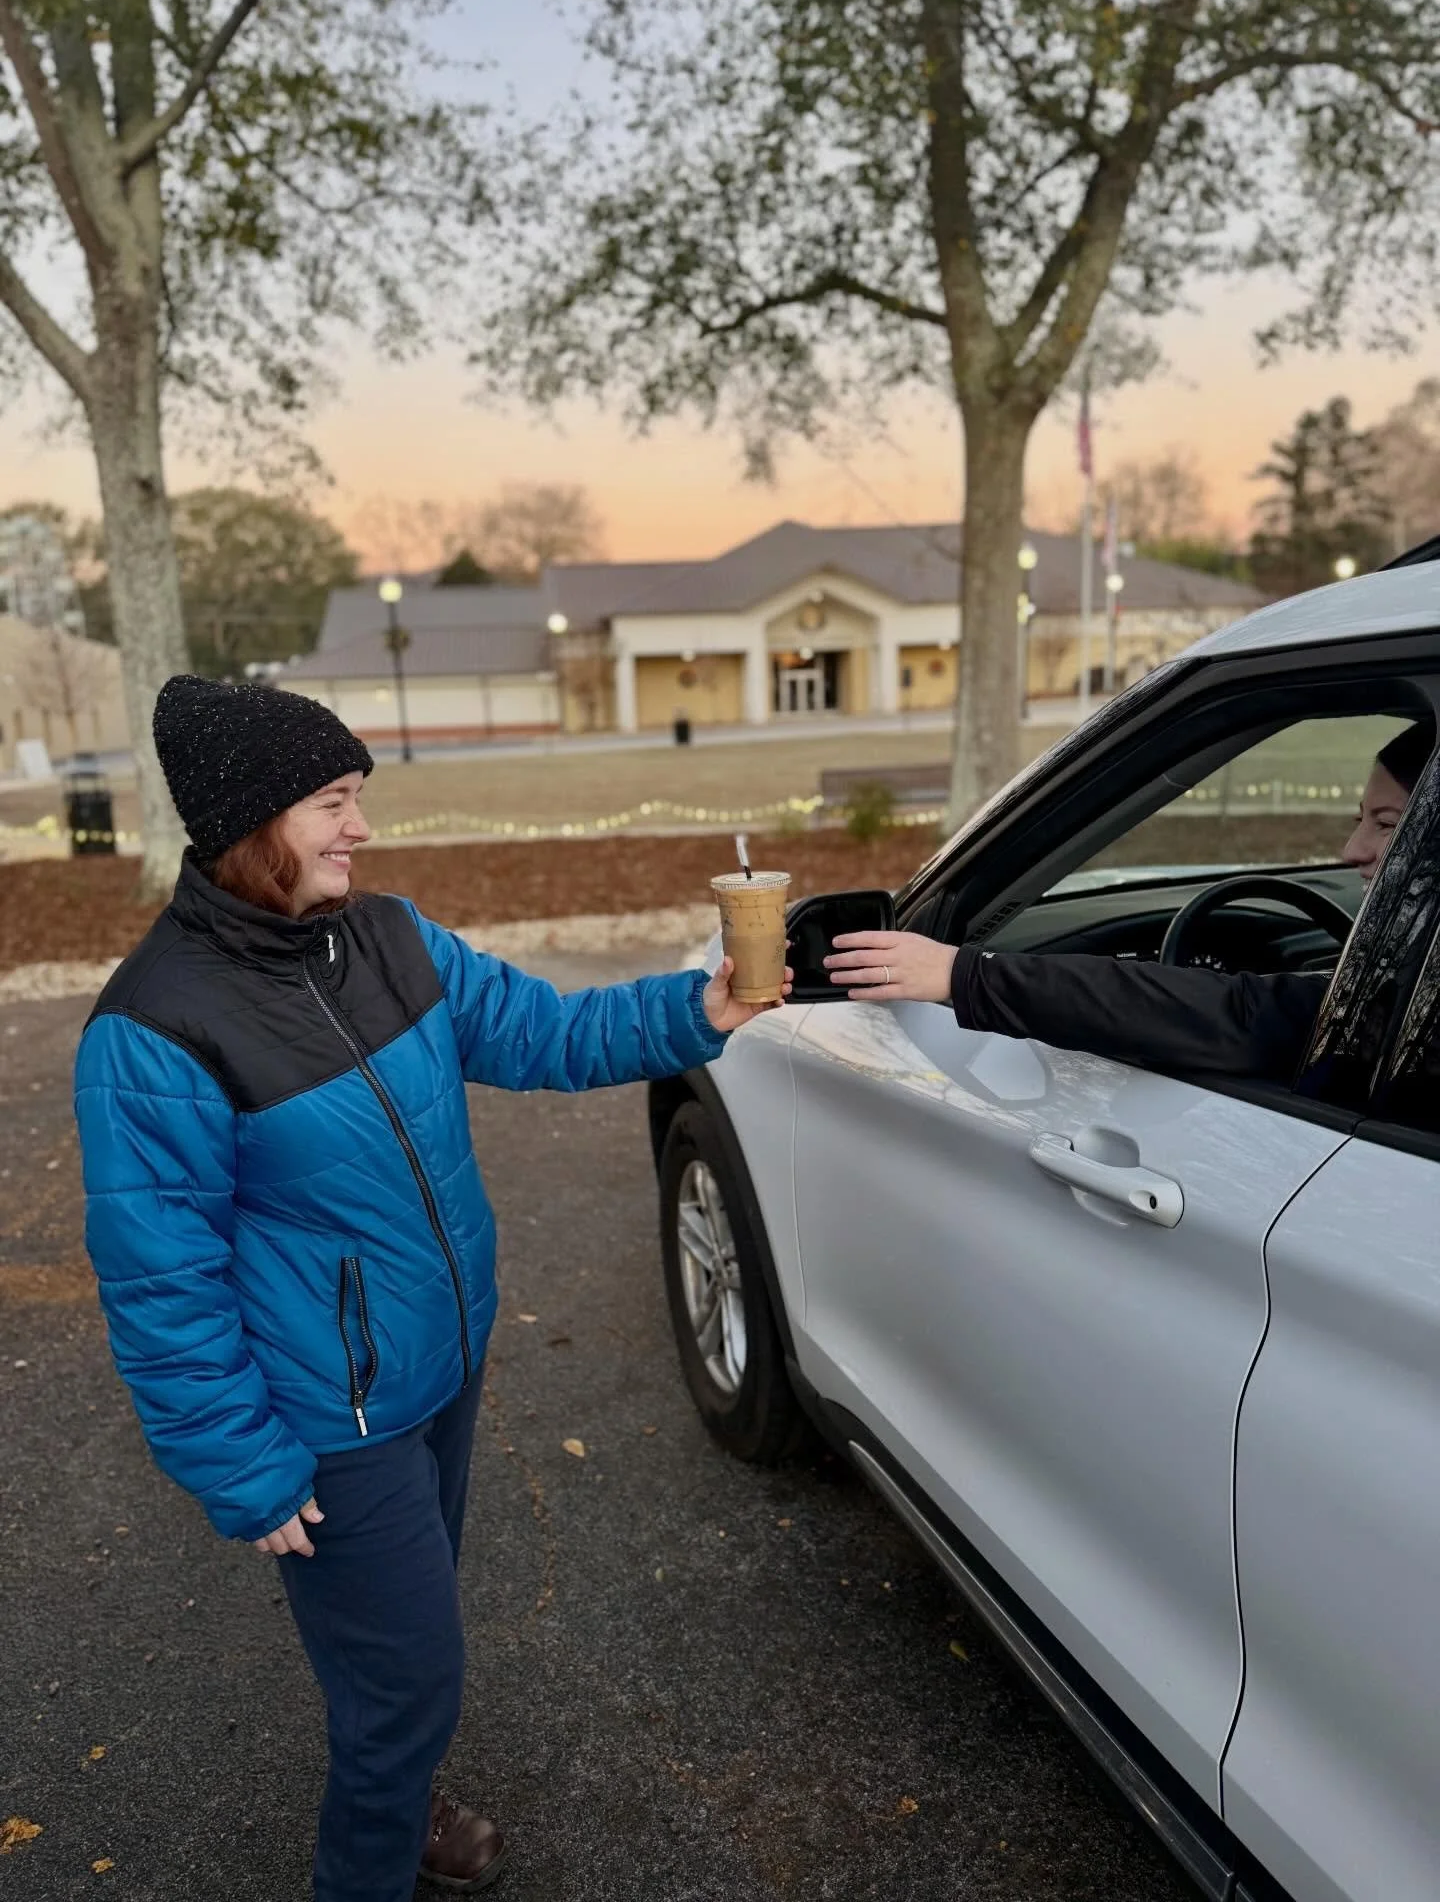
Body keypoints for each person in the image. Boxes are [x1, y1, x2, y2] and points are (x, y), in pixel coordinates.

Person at [73, 676, 789, 1902]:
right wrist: (242, 1466)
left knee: (393, 1658)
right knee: (410, 1672)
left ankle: (396, 1796)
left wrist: (697, 1007)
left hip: (436, 1368)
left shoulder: (392, 938)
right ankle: (370, 1861)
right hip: (325, 1416)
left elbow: (545, 1032)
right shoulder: (155, 1030)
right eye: (333, 804)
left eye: (357, 801)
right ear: (253, 822)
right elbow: (161, 1282)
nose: (359, 828)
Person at [824, 719, 1434, 1080]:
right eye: (1361, 819)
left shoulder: (1402, 1002)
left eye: (1388, 824)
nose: (1352, 848)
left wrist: (962, 974)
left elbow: (1228, 1015)